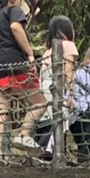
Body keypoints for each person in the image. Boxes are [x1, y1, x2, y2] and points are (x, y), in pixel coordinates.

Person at [0, 0, 45, 160]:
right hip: (13, 64)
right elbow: (16, 27)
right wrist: (30, 54)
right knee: (39, 103)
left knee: (0, 112)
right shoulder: (13, 11)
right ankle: (24, 136)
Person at [34, 14, 78, 154]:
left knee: (48, 119)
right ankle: (49, 151)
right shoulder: (69, 46)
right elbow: (68, 69)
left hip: (44, 86)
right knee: (61, 118)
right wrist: (71, 93)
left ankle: (41, 148)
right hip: (58, 86)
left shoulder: (48, 51)